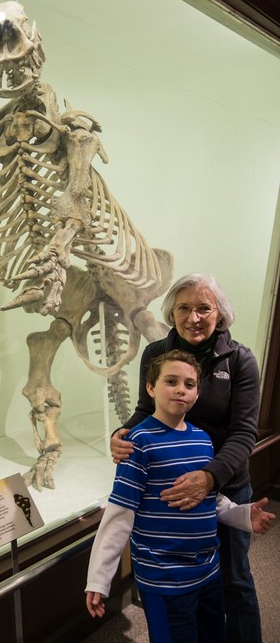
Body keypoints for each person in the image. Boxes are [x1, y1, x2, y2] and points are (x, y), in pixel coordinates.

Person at [110, 273, 263, 642]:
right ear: (171, 312)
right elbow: (146, 409)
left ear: (221, 314)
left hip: (223, 486)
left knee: (233, 579)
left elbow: (244, 433)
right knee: (182, 583)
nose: (193, 317)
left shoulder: (241, 360)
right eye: (183, 308)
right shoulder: (155, 353)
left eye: (204, 308)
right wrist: (121, 434)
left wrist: (208, 479)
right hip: (169, 487)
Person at [86, 351, 275, 643]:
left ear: (198, 394)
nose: (180, 390)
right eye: (171, 381)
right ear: (150, 388)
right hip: (165, 578)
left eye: (189, 384)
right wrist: (99, 578)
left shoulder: (202, 440)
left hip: (207, 572)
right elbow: (119, 515)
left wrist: (242, 515)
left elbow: (210, 499)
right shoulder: (138, 443)